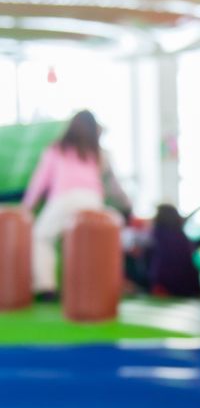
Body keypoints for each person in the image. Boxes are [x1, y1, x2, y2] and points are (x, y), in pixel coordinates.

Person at [21, 109, 132, 298]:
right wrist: (128, 208)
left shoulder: (57, 149)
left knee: (41, 236)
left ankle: (46, 287)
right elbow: (113, 186)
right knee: (90, 244)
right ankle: (97, 287)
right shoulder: (99, 153)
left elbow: (39, 181)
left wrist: (26, 208)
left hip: (63, 199)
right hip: (92, 200)